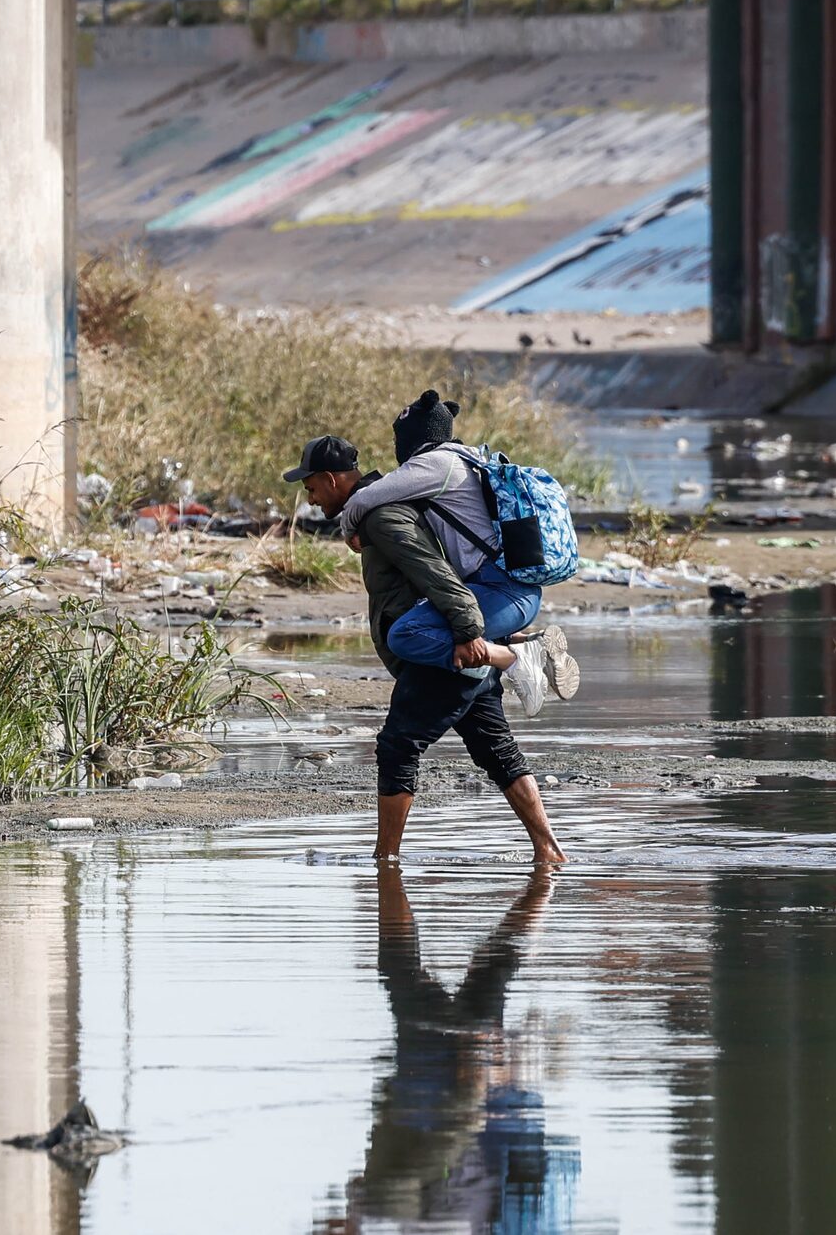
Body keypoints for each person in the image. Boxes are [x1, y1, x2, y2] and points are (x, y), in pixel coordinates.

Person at [284, 432, 565, 866]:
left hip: (446, 650)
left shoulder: (381, 517)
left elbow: (436, 574)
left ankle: (385, 860)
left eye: (312, 488)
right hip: (454, 644)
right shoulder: (377, 512)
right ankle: (549, 851)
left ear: (331, 479)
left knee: (398, 747)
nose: (313, 499)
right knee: (496, 749)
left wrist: (468, 631)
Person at [336, 867, 574, 1230]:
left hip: (444, 1074)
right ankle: (545, 878)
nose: (322, 1221)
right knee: (417, 965)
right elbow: (448, 1139)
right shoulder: (386, 1201)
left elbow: (391, 1130)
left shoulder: (386, 1208)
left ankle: (545, 881)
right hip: (451, 1071)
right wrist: (473, 1082)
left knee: (488, 966)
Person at [336, 391, 576, 708]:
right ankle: (526, 642)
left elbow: (365, 499)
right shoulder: (469, 457)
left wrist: (349, 530)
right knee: (448, 623)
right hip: (510, 594)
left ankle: (512, 655)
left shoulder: (435, 464)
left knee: (405, 634)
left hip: (501, 592)